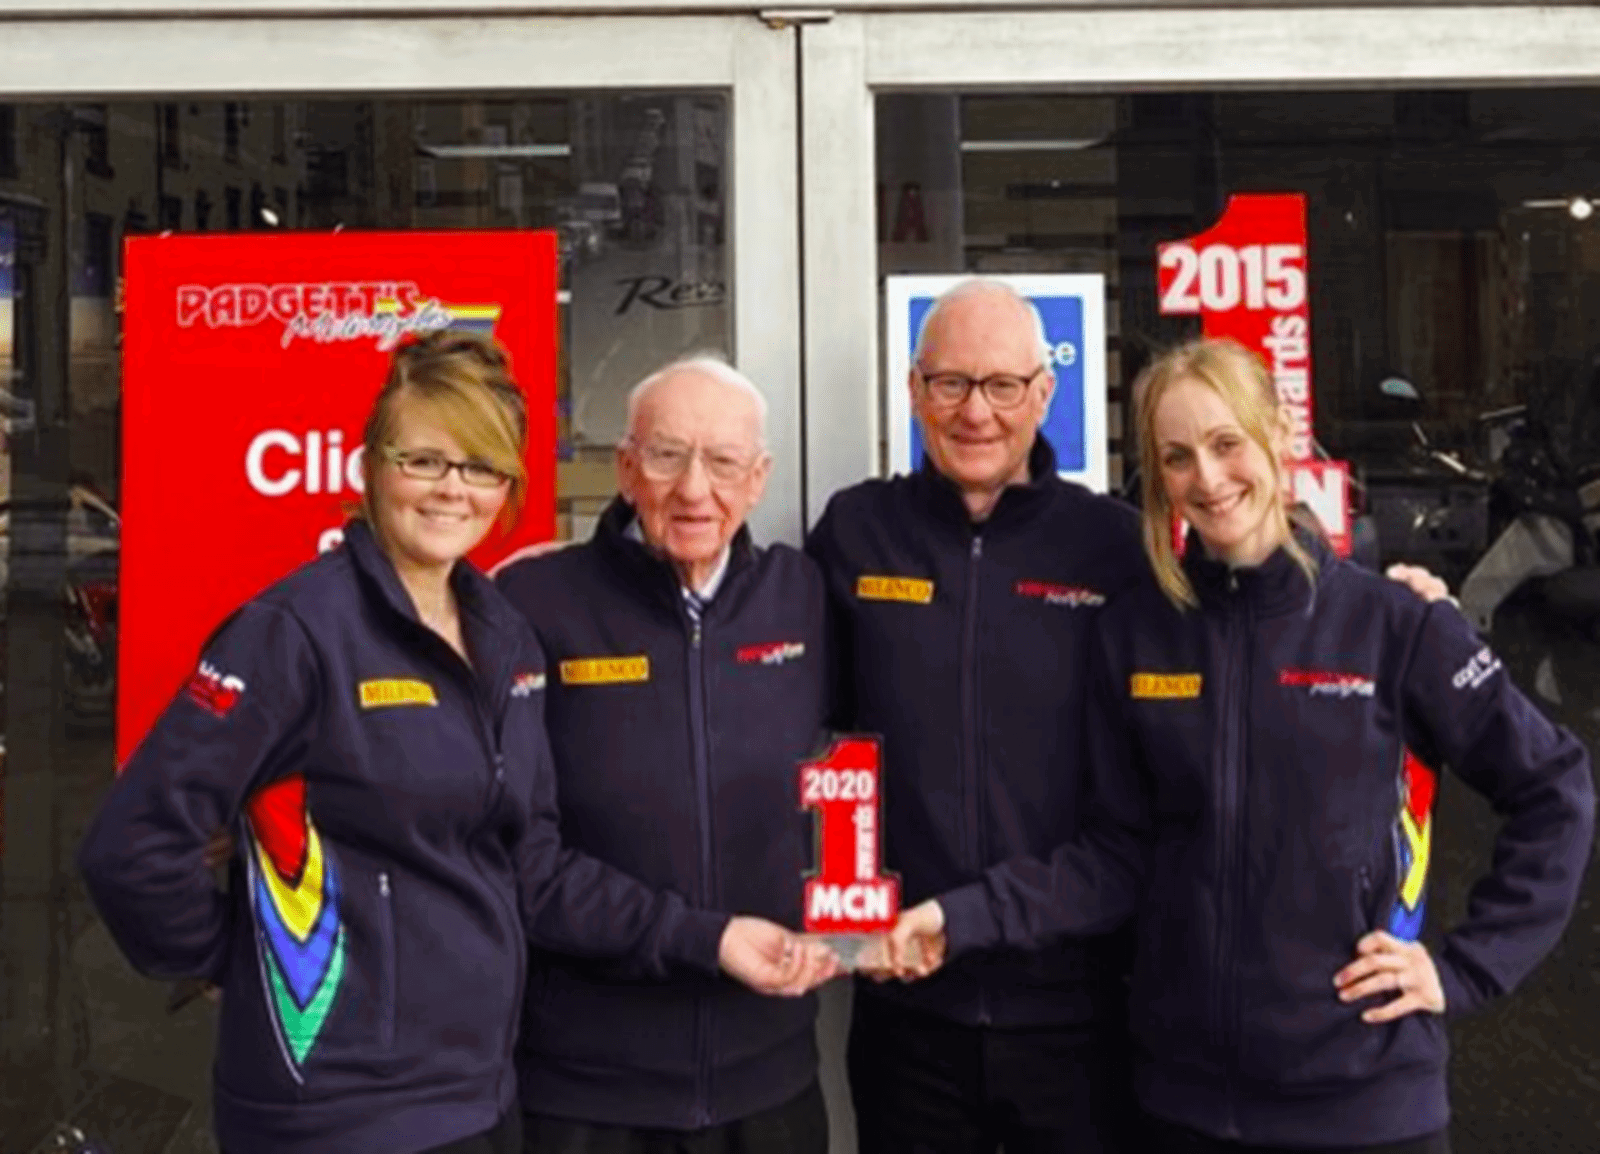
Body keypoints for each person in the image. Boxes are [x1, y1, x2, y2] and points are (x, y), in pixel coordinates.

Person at [77, 332, 835, 1154]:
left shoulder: (504, 631)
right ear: (369, 468)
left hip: (478, 1093)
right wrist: (236, 958)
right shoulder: (294, 631)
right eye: (425, 461)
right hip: (336, 1110)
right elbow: (134, 844)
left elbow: (525, 861)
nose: (452, 492)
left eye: (479, 468)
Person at [887, 336, 1596, 1153]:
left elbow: (1556, 790)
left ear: (1277, 435)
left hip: (1365, 1109)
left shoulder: (1393, 624)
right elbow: (1118, 856)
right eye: (1178, 457)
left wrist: (1466, 968)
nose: (1209, 478)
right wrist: (959, 916)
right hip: (1179, 1106)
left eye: (1227, 444)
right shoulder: (1140, 635)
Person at [805, 279, 1151, 1153]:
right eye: (951, 384)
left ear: (1045, 392)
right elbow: (762, 670)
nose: (976, 413)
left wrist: (1395, 598)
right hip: (906, 1011)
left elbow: (1232, 626)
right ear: (914, 390)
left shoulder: (1114, 547)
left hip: (1077, 1010)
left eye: (1003, 386)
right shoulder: (855, 530)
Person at [495, 356, 833, 1154]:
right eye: (666, 455)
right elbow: (520, 857)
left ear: (759, 479)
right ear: (623, 467)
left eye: (722, 462)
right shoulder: (534, 604)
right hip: (588, 1090)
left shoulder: (805, 598)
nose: (692, 490)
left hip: (771, 1080)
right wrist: (699, 937)